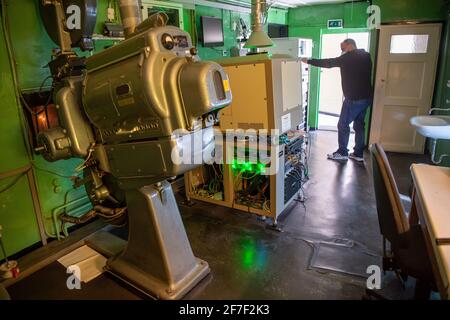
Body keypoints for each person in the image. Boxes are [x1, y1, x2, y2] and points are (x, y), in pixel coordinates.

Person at [301, 38, 373, 163]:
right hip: (366, 97)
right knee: (359, 125)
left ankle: (342, 152)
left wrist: (309, 61)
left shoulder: (348, 58)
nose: (342, 51)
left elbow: (329, 63)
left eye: (343, 48)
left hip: (353, 98)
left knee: (343, 124)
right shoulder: (366, 56)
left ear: (350, 45)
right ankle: (358, 153)